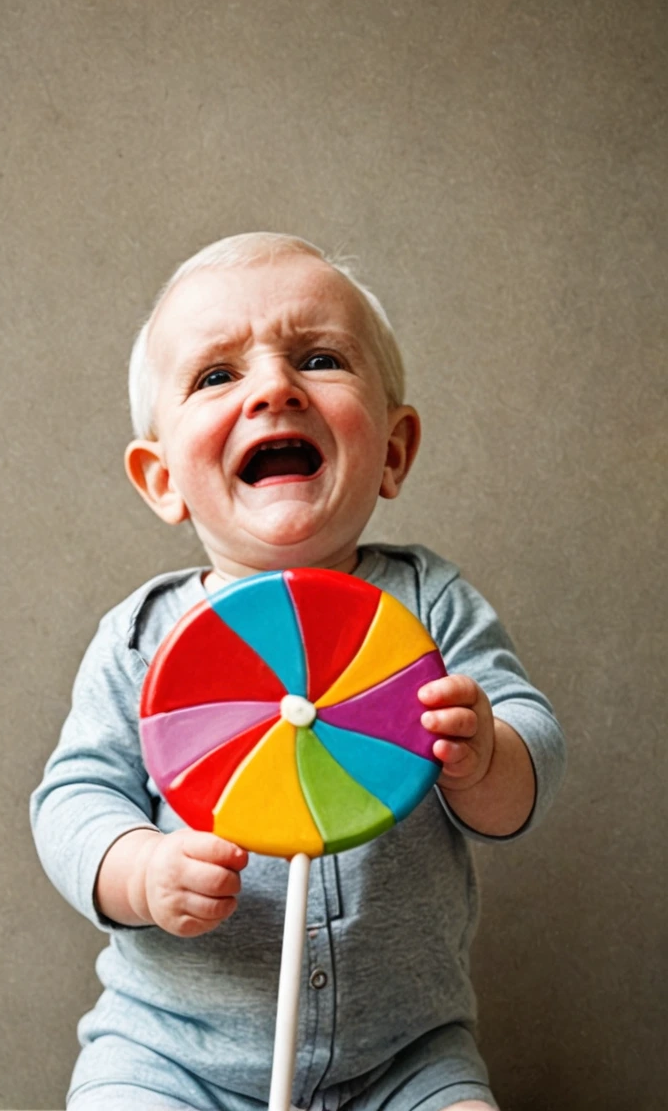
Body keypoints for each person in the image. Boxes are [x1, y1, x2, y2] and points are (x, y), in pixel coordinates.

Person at [30, 233, 565, 1111]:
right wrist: (143, 869)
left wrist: (487, 754)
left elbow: (530, 758)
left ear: (393, 450)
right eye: (215, 376)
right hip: (172, 1055)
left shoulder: (429, 608)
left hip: (405, 1056)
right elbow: (72, 799)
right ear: (162, 477)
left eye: (318, 359)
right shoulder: (142, 639)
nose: (274, 388)